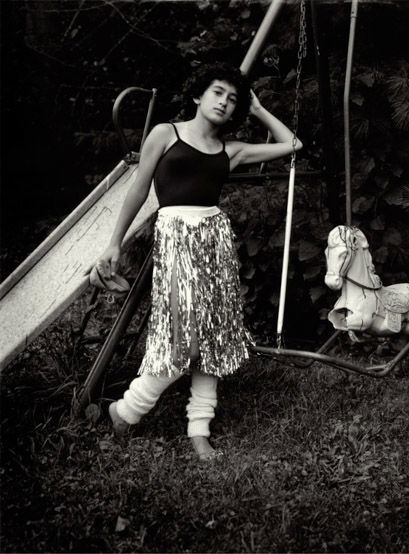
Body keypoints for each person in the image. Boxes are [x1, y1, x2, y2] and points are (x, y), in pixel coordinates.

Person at [94, 62, 302, 461]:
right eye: (218, 92)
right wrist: (114, 243)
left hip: (214, 242)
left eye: (233, 99)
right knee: (184, 343)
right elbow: (139, 191)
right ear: (198, 95)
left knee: (214, 341)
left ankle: (199, 429)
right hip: (176, 238)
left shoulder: (231, 149)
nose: (224, 102)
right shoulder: (165, 134)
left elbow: (293, 144)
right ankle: (126, 409)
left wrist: (258, 110)